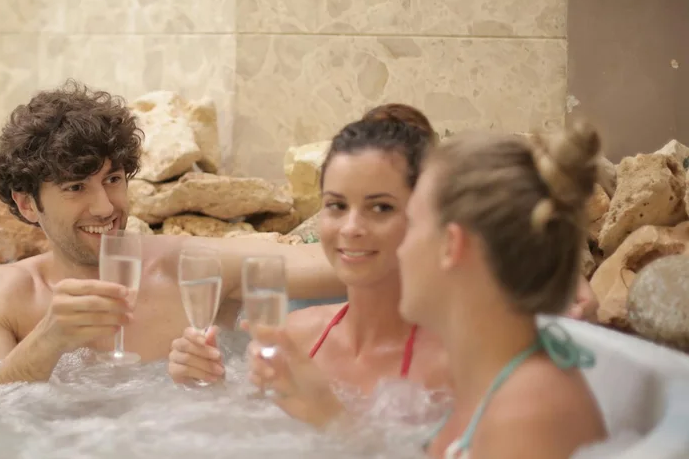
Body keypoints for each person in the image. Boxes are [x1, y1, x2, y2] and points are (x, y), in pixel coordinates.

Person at [0, 80, 347, 391]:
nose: (105, 206)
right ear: (27, 204)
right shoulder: (3, 296)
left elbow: (340, 267)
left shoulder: (186, 268)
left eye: (113, 180)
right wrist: (48, 339)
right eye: (76, 187)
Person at [247, 120, 608, 458]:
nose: (401, 247)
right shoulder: (496, 387)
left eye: (413, 222)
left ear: (451, 245)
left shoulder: (529, 412)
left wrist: (333, 419)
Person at [169, 105, 451, 402]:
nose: (351, 228)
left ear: (425, 216)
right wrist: (204, 385)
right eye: (337, 206)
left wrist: (330, 419)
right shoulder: (295, 337)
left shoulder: (451, 362)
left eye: (381, 207)